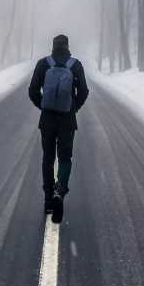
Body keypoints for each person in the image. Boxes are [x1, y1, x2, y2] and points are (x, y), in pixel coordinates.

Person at [28, 34, 89, 222]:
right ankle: (60, 192)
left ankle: (48, 200)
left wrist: (44, 106)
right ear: (68, 46)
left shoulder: (43, 64)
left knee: (47, 158)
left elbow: (32, 90)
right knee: (64, 158)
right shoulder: (75, 65)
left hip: (47, 120)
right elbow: (84, 91)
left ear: (52, 47)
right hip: (67, 120)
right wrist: (73, 108)